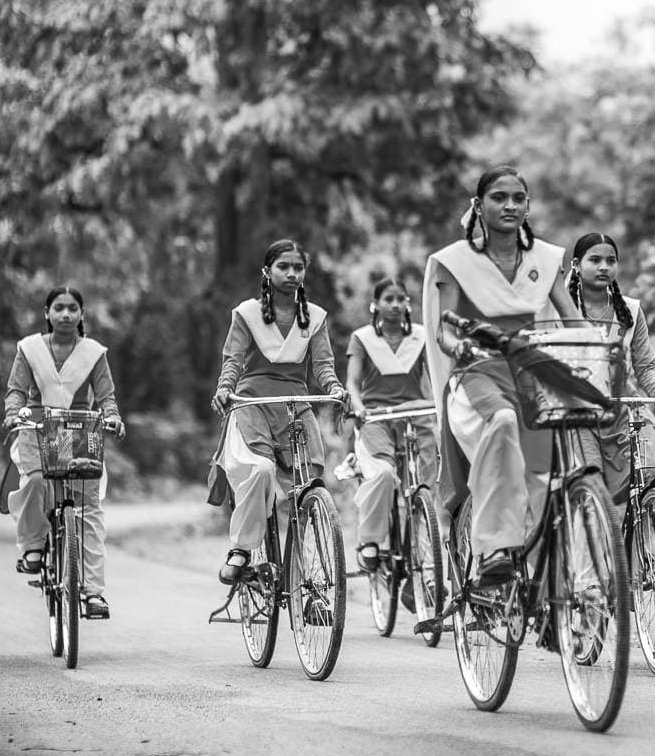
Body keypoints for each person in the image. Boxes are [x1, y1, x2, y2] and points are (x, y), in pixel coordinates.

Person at [422, 165, 581, 585]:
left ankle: (555, 588)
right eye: (498, 197)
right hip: (478, 372)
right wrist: (460, 346)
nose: (509, 205)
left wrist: (594, 350)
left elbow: (572, 320)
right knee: (503, 422)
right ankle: (492, 547)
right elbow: (443, 329)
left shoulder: (546, 259)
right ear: (478, 205)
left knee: (548, 475)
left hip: (531, 373)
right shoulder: (454, 261)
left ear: (528, 206)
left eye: (517, 198)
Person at [208, 238, 347, 585]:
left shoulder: (314, 318)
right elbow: (234, 360)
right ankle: (242, 549)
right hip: (253, 403)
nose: (291, 273)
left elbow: (323, 365)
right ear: (267, 271)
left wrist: (333, 388)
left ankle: (309, 579)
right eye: (283, 266)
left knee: (311, 491)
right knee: (260, 469)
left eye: (298, 267)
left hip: (296, 407)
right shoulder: (247, 314)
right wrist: (225, 388)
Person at [1, 286, 126, 620]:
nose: (66, 314)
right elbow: (16, 390)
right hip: (37, 429)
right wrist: (13, 413)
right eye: (59, 308)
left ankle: (94, 593)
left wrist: (112, 417)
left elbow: (106, 396)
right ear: (47, 312)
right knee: (36, 483)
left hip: (78, 431)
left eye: (73, 308)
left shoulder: (94, 353)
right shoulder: (28, 349)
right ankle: (33, 547)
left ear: (82, 314)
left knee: (88, 509)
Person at [565, 232, 655, 507]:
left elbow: (645, 365)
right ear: (575, 265)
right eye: (594, 260)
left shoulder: (630, 310)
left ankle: (653, 547)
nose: (604, 267)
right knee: (591, 488)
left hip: (625, 408)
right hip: (578, 413)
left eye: (611, 260)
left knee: (654, 471)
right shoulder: (562, 309)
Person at [345, 276, 435, 572]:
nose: (395, 305)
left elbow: (434, 379)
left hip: (416, 414)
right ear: (376, 304)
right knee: (383, 474)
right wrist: (357, 410)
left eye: (401, 299)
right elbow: (353, 384)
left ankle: (426, 551)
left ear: (408, 304)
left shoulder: (421, 337)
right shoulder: (362, 338)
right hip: (376, 417)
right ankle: (370, 540)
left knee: (427, 484)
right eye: (389, 299)